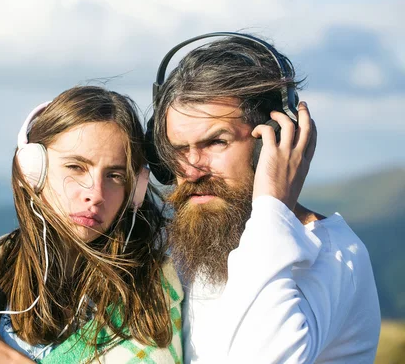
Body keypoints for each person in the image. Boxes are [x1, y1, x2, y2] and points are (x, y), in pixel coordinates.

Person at [149, 33, 381, 363]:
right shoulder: (199, 242)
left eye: (216, 142)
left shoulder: (335, 257)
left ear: (269, 143)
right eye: (178, 149)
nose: (191, 169)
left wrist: (273, 208)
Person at [0, 86, 184, 363]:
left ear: (135, 191)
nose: (95, 194)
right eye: (75, 167)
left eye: (115, 175)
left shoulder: (153, 291)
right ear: (33, 169)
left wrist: (7, 360)